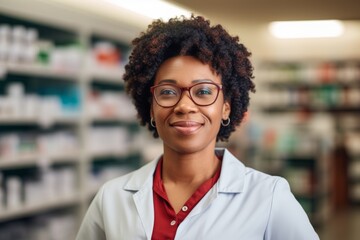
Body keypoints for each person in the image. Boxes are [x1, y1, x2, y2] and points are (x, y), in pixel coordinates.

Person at [76, 15, 319, 240]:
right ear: (151, 107)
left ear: (226, 107)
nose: (184, 106)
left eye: (203, 92)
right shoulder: (112, 197)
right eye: (168, 92)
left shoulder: (269, 197)